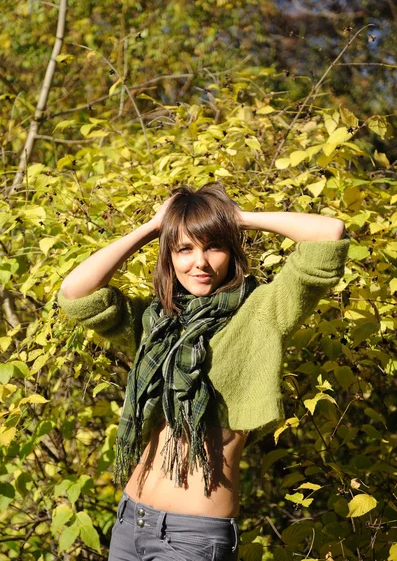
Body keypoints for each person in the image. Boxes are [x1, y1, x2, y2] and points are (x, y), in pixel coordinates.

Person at [57, 182, 349, 561]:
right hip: (132, 521)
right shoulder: (157, 323)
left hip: (192, 538)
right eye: (185, 249)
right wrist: (152, 226)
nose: (200, 262)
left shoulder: (262, 312)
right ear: (169, 257)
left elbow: (330, 234)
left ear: (231, 250)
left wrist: (233, 217)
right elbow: (76, 294)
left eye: (214, 246)